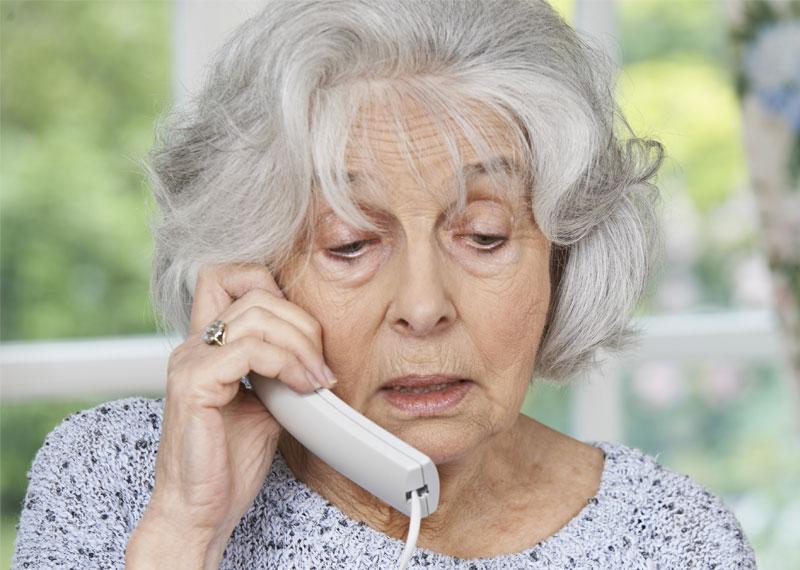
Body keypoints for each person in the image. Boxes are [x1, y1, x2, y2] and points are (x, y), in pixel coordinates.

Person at [12, 0, 757, 568]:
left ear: (562, 257)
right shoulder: (113, 480)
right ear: (255, 275)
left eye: (486, 237)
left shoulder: (672, 537)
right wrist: (186, 525)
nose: (425, 307)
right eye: (351, 243)